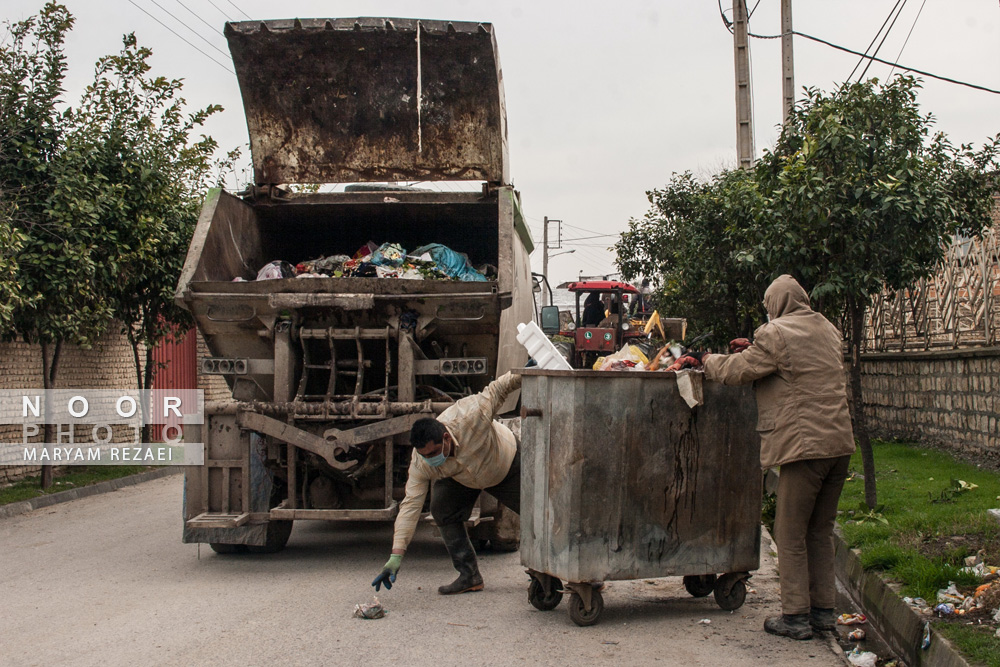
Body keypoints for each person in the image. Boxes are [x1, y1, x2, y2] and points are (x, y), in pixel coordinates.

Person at [673, 275, 856, 640]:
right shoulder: (827, 328)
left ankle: (795, 617)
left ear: (774, 305)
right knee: (820, 532)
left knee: (789, 534)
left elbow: (739, 371)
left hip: (805, 448)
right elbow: (789, 366)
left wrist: (706, 360)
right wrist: (750, 348)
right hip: (838, 444)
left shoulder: (774, 334)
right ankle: (823, 614)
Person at [372, 372, 522, 595]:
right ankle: (469, 575)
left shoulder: (471, 415)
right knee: (442, 508)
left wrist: (524, 373)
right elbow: (411, 506)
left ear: (446, 438)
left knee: (539, 515)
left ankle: (550, 572)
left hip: (505, 465)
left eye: (433, 452)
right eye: (425, 455)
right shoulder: (422, 461)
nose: (430, 459)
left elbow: (498, 388)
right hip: (462, 478)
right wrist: (396, 555)